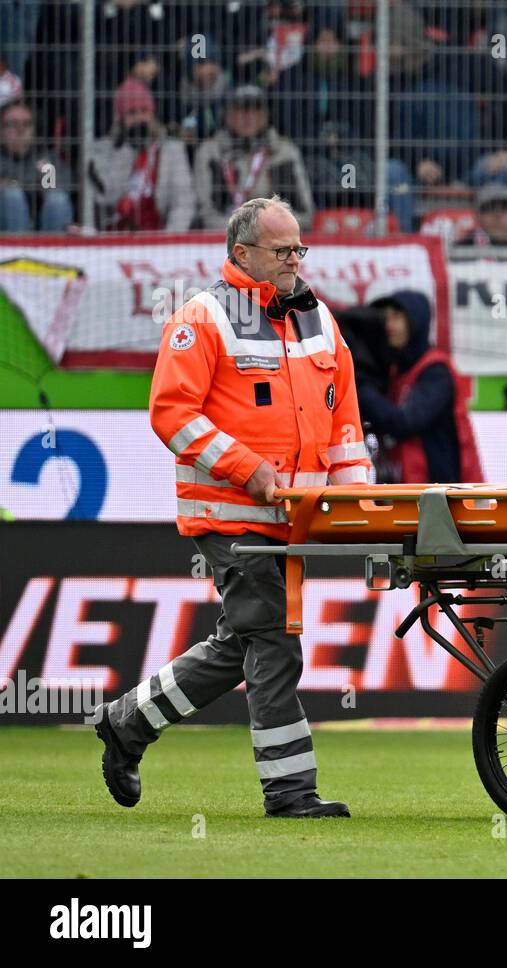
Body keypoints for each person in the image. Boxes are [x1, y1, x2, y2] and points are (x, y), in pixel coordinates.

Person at [93, 196, 370, 819]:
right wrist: (251, 471)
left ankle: (127, 723)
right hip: (229, 514)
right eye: (282, 250)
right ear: (241, 253)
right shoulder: (203, 317)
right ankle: (291, 793)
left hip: (293, 519)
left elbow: (343, 416)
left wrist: (356, 503)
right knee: (273, 643)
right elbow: (172, 414)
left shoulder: (319, 317)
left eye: (299, 248)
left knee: (240, 642)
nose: (294, 260)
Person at [357, 289, 483, 485]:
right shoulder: (396, 370)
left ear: (416, 321)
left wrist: (360, 387)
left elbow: (406, 422)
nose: (389, 325)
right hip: (413, 490)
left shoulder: (435, 371)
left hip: (445, 494)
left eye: (397, 317)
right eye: (386, 318)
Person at [193, 85, 314, 230]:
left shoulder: (285, 152)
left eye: (256, 109)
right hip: (224, 239)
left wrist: (266, 231)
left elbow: (305, 213)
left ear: (266, 115)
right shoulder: (210, 152)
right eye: (241, 109)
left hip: (275, 240)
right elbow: (205, 214)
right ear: (227, 115)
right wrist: (247, 233)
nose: (249, 116)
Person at [88, 79, 196, 231]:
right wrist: (126, 151)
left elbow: (183, 202)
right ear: (120, 119)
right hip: (113, 238)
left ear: (152, 114)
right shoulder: (104, 150)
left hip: (159, 238)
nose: (139, 118)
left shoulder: (172, 150)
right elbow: (105, 195)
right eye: (132, 113)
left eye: (144, 111)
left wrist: (169, 242)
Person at [0, 98, 74, 232]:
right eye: (13, 124)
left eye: (26, 124)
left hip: (43, 224)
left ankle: (55, 251)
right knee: (12, 194)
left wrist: (46, 182)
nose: (20, 130)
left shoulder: (47, 157)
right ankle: (17, 250)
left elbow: (60, 190)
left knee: (57, 199)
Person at [460, 183, 507, 247]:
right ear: (478, 216)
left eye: (504, 208)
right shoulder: (460, 251)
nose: (497, 215)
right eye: (489, 209)